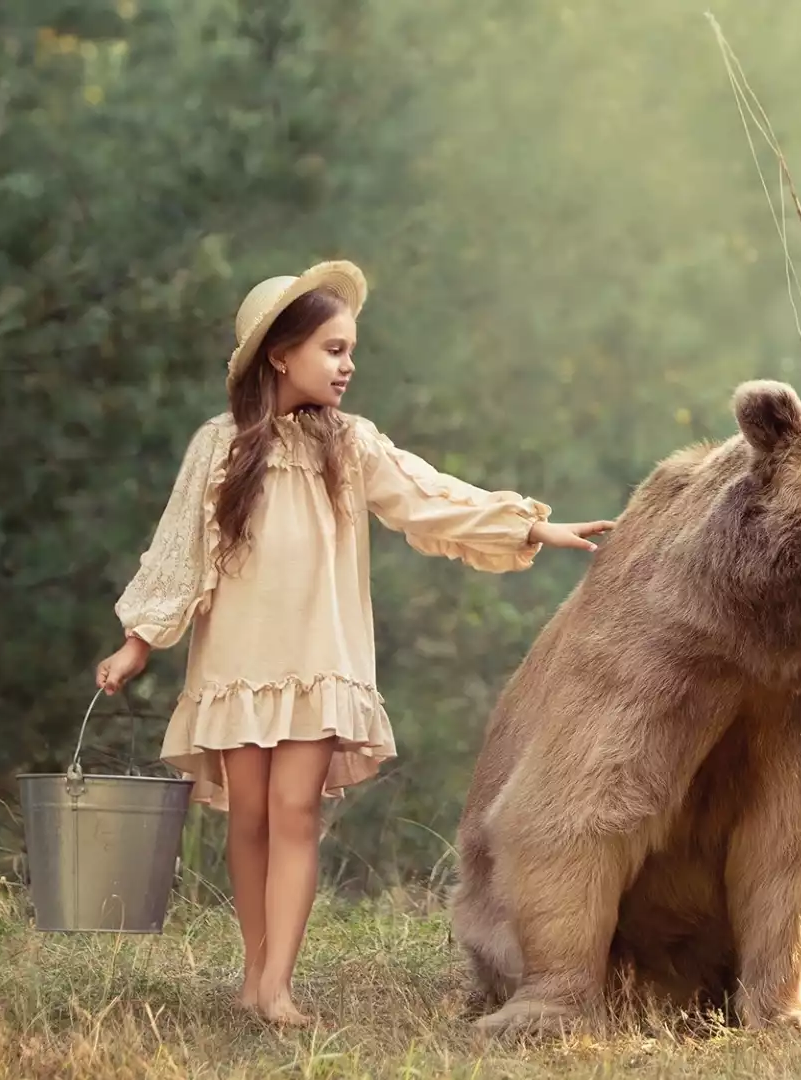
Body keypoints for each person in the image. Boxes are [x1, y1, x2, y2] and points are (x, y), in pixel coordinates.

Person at [93, 260, 614, 1025]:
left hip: (321, 659)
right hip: (239, 661)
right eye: (333, 349)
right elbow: (180, 549)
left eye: (350, 351)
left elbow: (429, 497)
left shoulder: (351, 443)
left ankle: (277, 986)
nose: (348, 365)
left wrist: (533, 527)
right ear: (281, 354)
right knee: (249, 817)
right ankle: (252, 973)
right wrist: (138, 643)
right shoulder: (219, 446)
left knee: (294, 811)